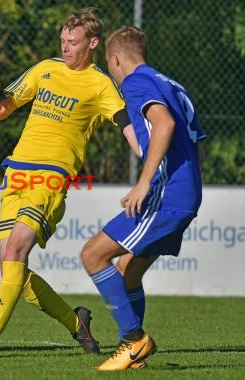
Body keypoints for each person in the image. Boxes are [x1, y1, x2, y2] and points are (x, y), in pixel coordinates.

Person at [0, 8, 134, 358]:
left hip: (51, 177)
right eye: (63, 40)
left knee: (15, 251)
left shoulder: (100, 84)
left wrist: (150, 157)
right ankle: (76, 323)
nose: (66, 47)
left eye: (73, 42)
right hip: (16, 174)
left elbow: (126, 123)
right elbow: (3, 108)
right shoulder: (45, 69)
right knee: (15, 273)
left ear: (93, 43)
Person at [80, 26, 206, 371]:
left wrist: (144, 182)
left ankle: (133, 341)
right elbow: (194, 143)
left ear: (115, 60)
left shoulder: (136, 83)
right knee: (127, 270)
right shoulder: (172, 85)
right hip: (186, 192)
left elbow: (162, 125)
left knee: (93, 255)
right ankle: (134, 356)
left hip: (166, 193)